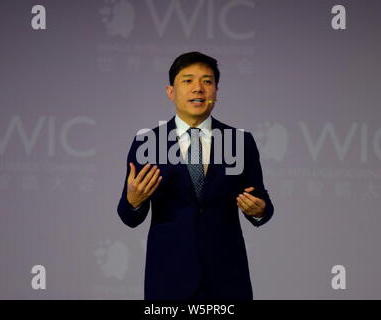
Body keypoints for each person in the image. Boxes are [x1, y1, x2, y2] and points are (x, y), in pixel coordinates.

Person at [117, 52, 274, 300]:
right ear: (171, 91)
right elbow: (128, 215)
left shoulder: (240, 143)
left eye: (207, 81)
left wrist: (259, 210)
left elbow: (263, 203)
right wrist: (134, 200)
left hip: (227, 279)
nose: (198, 89)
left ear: (216, 91)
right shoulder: (147, 143)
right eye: (188, 81)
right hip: (169, 280)